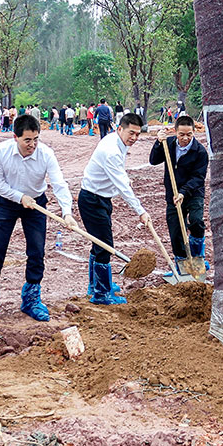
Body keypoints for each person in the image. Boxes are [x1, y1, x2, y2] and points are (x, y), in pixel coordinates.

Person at [0, 114, 74, 322]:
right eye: (27, 140)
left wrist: (67, 212)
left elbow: (59, 183)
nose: (33, 144)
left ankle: (31, 300)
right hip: (6, 202)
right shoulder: (1, 151)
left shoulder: (46, 154)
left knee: (37, 251)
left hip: (36, 204)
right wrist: (19, 197)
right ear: (16, 137)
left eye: (36, 139)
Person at [79, 113, 151, 304]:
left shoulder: (117, 142)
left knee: (99, 243)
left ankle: (96, 284)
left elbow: (120, 174)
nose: (134, 138)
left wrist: (125, 179)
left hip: (102, 198)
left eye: (137, 134)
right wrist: (141, 211)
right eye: (131, 133)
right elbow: (122, 187)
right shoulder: (111, 150)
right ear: (120, 129)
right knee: (105, 246)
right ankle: (102, 294)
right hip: (92, 200)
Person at [149, 116, 209, 270]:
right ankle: (182, 265)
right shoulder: (168, 144)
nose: (185, 138)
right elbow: (153, 160)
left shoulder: (200, 151)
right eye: (181, 134)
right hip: (173, 195)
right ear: (175, 132)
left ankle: (197, 257)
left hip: (193, 193)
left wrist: (183, 192)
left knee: (196, 221)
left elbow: (198, 177)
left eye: (189, 134)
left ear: (194, 132)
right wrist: (158, 143)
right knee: (175, 230)